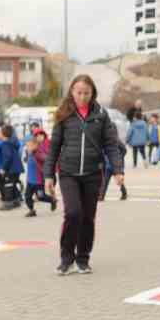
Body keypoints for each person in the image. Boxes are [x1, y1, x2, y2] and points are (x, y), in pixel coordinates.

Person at [46, 72, 123, 276]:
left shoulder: (100, 115)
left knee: (88, 218)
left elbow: (111, 144)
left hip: (92, 173)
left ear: (92, 93)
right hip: (68, 172)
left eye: (86, 93)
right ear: (72, 91)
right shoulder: (64, 114)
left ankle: (83, 259)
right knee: (73, 213)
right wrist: (48, 176)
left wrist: (117, 170)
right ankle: (66, 259)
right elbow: (54, 147)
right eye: (79, 92)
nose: (82, 97)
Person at [23, 123, 57, 217]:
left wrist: (38, 154)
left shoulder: (45, 147)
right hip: (30, 179)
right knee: (27, 196)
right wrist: (29, 153)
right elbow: (27, 155)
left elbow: (47, 158)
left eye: (41, 135)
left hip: (39, 179)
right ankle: (31, 210)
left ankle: (52, 200)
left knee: (41, 196)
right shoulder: (31, 147)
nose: (39, 137)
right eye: (37, 135)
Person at [0, 122, 24, 210]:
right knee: (12, 184)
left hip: (11, 169)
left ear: (3, 134)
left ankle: (8, 203)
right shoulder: (12, 142)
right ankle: (16, 201)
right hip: (17, 168)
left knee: (8, 185)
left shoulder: (5, 144)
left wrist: (3, 168)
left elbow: (7, 157)